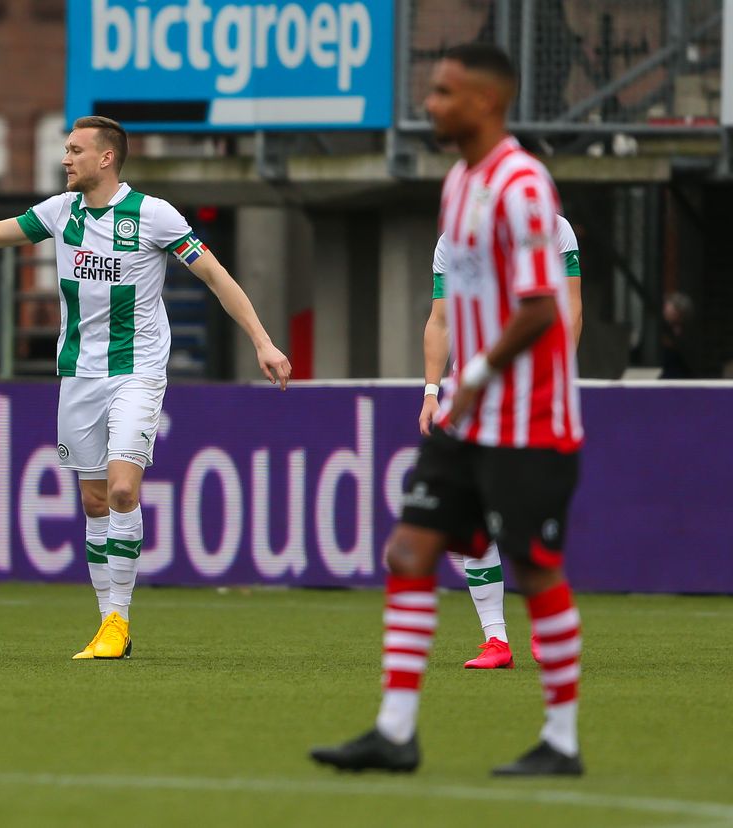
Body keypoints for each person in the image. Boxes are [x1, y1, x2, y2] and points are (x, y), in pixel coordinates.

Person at [0, 115, 291, 660]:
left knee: (120, 490)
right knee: (93, 500)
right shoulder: (60, 212)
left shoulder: (154, 215)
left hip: (137, 372)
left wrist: (262, 340)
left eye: (74, 150)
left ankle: (119, 617)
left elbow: (215, 276)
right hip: (78, 376)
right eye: (65, 150)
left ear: (106, 158)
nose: (65, 159)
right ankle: (105, 622)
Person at [311, 43, 585, 776]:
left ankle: (561, 740)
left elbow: (540, 310)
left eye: (443, 92)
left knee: (534, 566)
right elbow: (453, 311)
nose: (429, 104)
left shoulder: (523, 186)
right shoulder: (459, 186)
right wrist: (441, 387)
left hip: (527, 412)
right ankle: (395, 731)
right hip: (469, 411)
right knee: (410, 550)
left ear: (487, 102)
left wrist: (481, 373)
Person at [421, 218, 582, 669]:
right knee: (466, 518)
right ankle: (496, 640)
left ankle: (547, 629)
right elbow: (439, 320)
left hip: (531, 391)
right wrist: (431, 392)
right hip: (470, 396)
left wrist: (556, 379)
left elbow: (571, 309)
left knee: (526, 514)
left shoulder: (551, 229)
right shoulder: (451, 240)